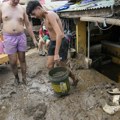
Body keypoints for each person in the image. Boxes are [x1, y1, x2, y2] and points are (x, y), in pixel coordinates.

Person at [26, 1, 78, 86]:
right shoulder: (44, 18)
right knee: (50, 65)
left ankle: (74, 79)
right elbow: (51, 32)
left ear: (38, 8)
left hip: (61, 41)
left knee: (62, 66)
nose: (34, 16)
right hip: (53, 42)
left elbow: (59, 34)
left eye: (34, 14)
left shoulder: (50, 15)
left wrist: (56, 53)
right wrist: (48, 40)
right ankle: (57, 80)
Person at [0, 0, 38, 85]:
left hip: (21, 36)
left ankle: (24, 78)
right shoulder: (2, 6)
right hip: (8, 37)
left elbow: (27, 24)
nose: (16, 2)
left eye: (18, 0)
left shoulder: (21, 8)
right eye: (14, 0)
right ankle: (16, 78)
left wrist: (34, 39)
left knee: (22, 59)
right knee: (13, 62)